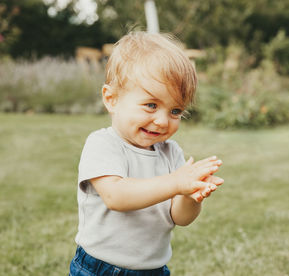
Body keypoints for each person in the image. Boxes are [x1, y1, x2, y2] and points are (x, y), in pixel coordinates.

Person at [69, 31, 224, 276]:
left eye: (175, 111)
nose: (163, 121)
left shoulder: (171, 153)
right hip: (100, 269)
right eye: (151, 105)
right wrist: (176, 182)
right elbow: (116, 196)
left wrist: (190, 195)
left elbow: (179, 218)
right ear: (111, 99)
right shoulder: (103, 144)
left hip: (153, 270)